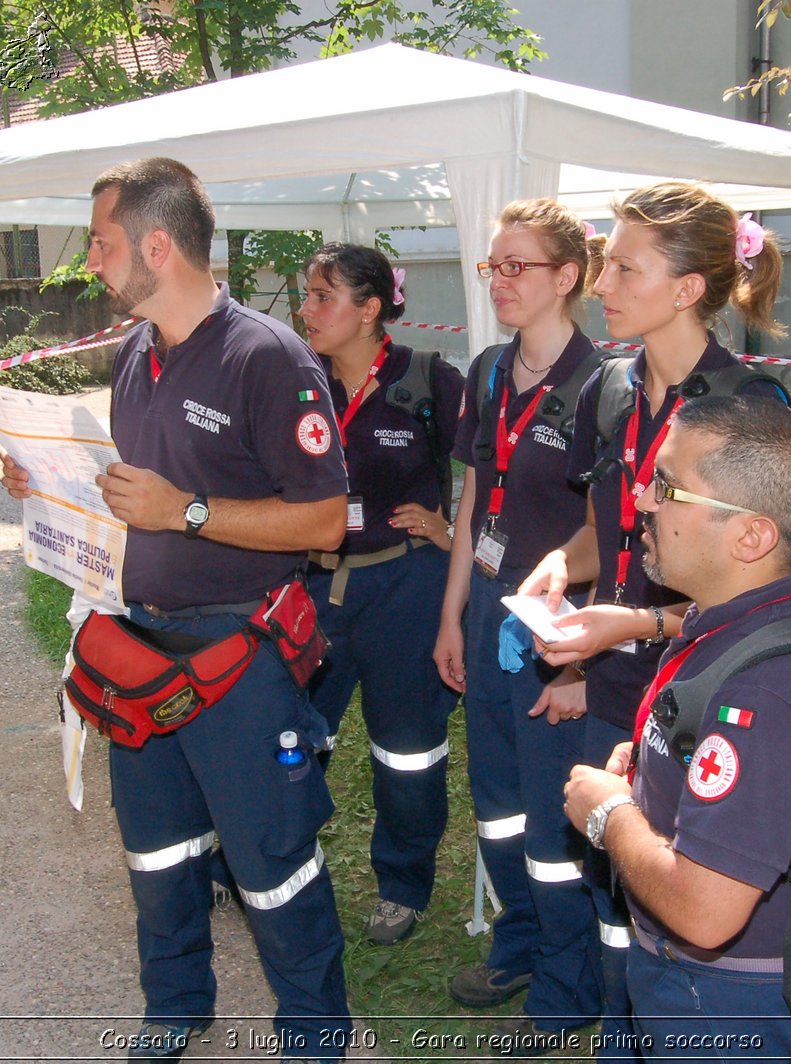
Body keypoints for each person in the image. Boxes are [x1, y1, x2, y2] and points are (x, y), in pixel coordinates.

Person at [0, 159, 352, 1062]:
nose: (94, 260)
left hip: (240, 662)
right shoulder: (133, 353)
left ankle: (316, 1031)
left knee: (273, 863)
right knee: (158, 854)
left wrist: (184, 511)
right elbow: (127, 491)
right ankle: (175, 1007)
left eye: (104, 242)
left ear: (159, 245)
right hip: (142, 650)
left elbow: (322, 520)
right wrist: (48, 484)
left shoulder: (266, 357)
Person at [517, 183, 789, 1058]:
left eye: (626, 267)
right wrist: (568, 566)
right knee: (614, 878)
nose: (603, 283)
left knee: (683, 894)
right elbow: (616, 528)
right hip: (619, 681)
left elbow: (764, 600)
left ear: (687, 289)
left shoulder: (747, 412)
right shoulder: (611, 390)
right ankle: (619, 1030)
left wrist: (624, 630)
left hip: (706, 694)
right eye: (605, 262)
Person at [563, 395, 791, 1062]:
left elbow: (706, 912)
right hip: (703, 986)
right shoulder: (749, 612)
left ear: (751, 536)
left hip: (732, 1006)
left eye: (667, 487)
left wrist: (610, 815)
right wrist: (654, 769)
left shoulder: (776, 695)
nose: (642, 500)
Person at [433, 199, 605, 1047]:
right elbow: (471, 503)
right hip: (488, 622)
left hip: (553, 644)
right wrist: (451, 615)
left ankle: (566, 994)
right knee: (497, 808)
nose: (498, 280)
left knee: (550, 818)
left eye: (516, 266)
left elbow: (613, 536)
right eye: (491, 266)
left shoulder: (602, 386)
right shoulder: (489, 374)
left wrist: (574, 664)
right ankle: (519, 942)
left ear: (566, 277)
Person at [297, 243, 462, 946]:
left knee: (407, 749)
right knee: (291, 736)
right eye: (306, 295)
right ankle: (268, 863)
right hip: (313, 587)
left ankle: (402, 886)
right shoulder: (294, 382)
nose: (306, 310)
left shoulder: (429, 379)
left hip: (406, 585)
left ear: (369, 310)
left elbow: (504, 473)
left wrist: (455, 532)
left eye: (322, 296)